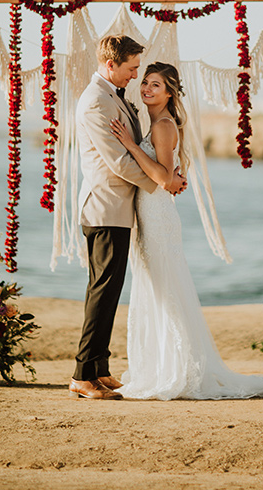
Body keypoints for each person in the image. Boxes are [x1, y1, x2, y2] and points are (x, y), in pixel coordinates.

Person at [110, 61, 263, 400]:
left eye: (155, 85)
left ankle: (175, 370)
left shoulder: (162, 125)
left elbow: (162, 178)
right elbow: (168, 175)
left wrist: (131, 147)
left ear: (170, 92)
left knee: (166, 290)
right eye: (145, 82)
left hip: (159, 217)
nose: (146, 88)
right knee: (158, 290)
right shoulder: (158, 124)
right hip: (152, 215)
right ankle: (162, 365)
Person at [69, 37, 186, 400]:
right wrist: (163, 182)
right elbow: (118, 162)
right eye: (132, 68)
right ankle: (83, 375)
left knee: (109, 289)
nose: (136, 75)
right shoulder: (95, 102)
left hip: (121, 209)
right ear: (110, 65)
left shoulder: (113, 97)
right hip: (105, 207)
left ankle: (100, 370)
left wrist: (165, 173)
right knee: (103, 291)